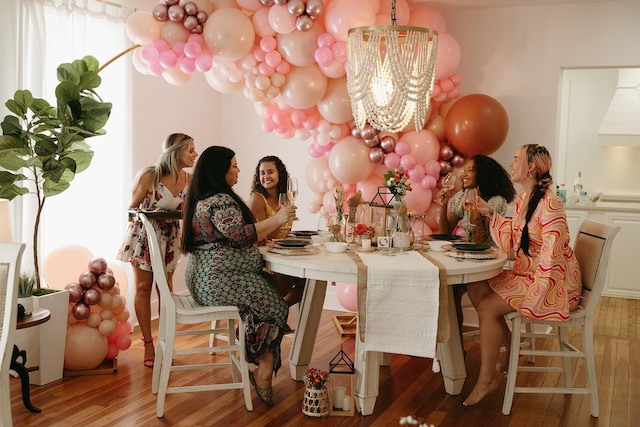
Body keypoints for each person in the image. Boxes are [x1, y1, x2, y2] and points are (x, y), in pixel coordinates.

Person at [462, 144, 581, 406]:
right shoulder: (525, 199)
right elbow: (517, 239)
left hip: (552, 282)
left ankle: (487, 380)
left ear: (530, 167)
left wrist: (540, 294)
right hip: (530, 273)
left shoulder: (550, 202)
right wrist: (488, 212)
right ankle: (511, 351)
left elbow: (552, 255)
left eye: (517, 159)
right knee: (477, 287)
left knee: (487, 308)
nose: (512, 164)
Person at [181, 146, 297, 407]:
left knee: (270, 296)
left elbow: (232, 236)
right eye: (234, 166)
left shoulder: (206, 197)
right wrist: (277, 219)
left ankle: (257, 360)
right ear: (219, 170)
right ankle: (263, 372)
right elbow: (239, 235)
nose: (239, 170)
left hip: (209, 278)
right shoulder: (220, 200)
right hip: (219, 280)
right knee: (275, 306)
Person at [116, 133, 198, 368]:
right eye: (190, 150)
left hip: (169, 239)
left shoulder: (189, 179)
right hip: (144, 237)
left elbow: (186, 210)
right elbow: (131, 209)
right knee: (143, 288)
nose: (195, 154)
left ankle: (165, 341)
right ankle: (148, 343)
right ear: (176, 152)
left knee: (166, 290)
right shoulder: (149, 176)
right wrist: (141, 217)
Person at [435, 155, 516, 347]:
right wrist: (443, 205)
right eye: (464, 169)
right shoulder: (462, 197)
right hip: (468, 257)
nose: (463, 173)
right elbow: (445, 232)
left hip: (489, 260)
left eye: (469, 170)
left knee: (474, 293)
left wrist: (476, 213)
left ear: (483, 174)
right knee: (449, 292)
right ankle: (456, 349)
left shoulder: (496, 202)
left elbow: (481, 239)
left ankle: (508, 345)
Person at [248, 155, 305, 307]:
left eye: (270, 172)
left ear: (280, 173)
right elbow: (263, 234)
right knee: (292, 280)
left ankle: (278, 316)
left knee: (309, 282)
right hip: (265, 261)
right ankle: (273, 316)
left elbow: (284, 232)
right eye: (262, 173)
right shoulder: (257, 199)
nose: (266, 176)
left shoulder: (285, 199)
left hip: (281, 254)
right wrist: (282, 219)